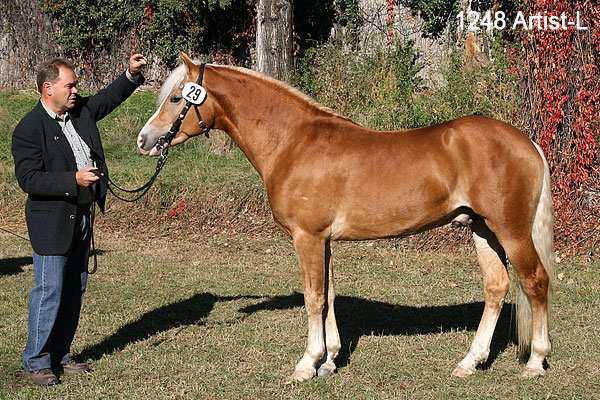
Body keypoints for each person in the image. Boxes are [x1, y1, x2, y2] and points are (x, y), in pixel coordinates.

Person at [12, 53, 147, 386]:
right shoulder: (29, 129)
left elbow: (107, 99)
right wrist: (73, 178)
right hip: (51, 223)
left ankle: (60, 355)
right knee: (50, 290)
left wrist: (130, 74)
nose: (75, 91)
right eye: (69, 85)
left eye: (75, 85)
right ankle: (36, 362)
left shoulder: (79, 111)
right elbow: (30, 179)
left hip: (82, 219)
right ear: (48, 89)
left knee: (75, 288)